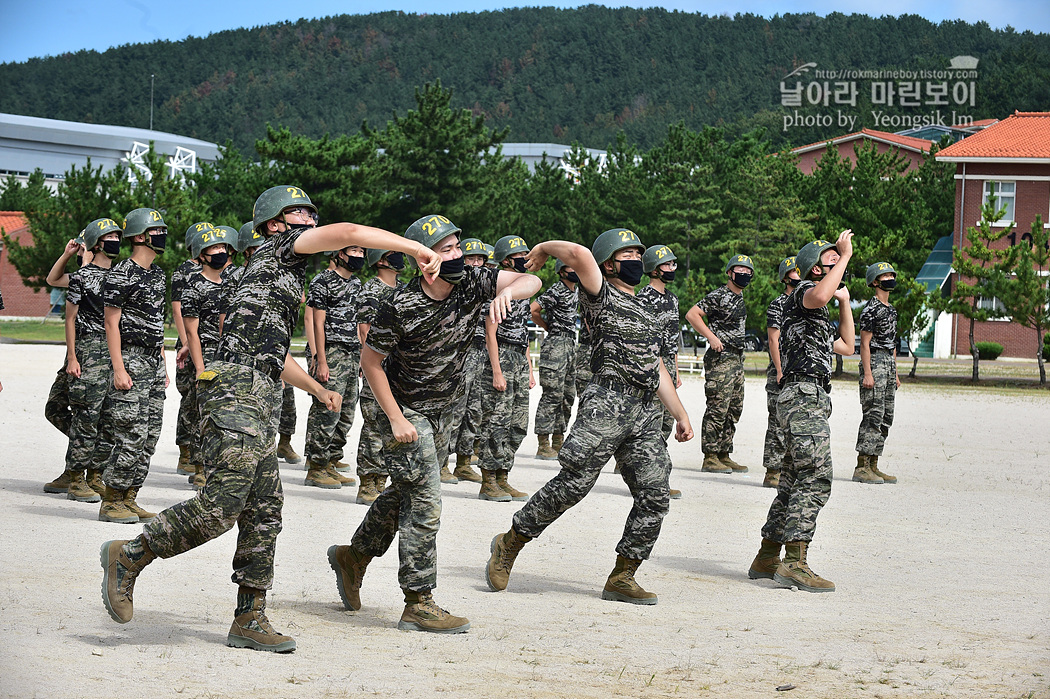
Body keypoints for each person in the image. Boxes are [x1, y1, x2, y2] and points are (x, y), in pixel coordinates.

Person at [100, 185, 441, 652]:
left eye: (309, 212)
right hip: (237, 390)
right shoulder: (277, 251)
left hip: (259, 388)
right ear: (273, 225)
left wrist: (317, 388)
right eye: (298, 212)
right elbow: (348, 231)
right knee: (222, 506)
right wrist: (417, 248)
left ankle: (250, 616)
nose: (308, 219)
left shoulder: (273, 277)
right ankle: (130, 555)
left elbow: (271, 353)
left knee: (264, 512)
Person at [326, 214, 540, 634]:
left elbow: (529, 281)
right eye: (447, 250)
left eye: (459, 247)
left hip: (445, 411)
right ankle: (418, 600)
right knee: (426, 502)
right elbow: (371, 364)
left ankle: (353, 557)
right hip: (404, 411)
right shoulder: (398, 306)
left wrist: (509, 293)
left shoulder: (472, 285)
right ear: (424, 260)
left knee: (406, 492)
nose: (458, 256)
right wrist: (395, 418)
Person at [485, 228, 694, 605]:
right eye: (627, 255)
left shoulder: (647, 307)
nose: (635, 260)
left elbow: (657, 365)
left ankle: (623, 574)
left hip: (645, 411)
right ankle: (510, 542)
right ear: (610, 263)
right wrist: (545, 249)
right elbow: (580, 254)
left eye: (637, 254)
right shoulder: (600, 294)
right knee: (573, 484)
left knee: (655, 493)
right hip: (607, 403)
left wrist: (679, 413)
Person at [748, 231, 855, 593]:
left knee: (792, 481)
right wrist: (846, 254)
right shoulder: (802, 294)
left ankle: (767, 556)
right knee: (817, 475)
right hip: (802, 394)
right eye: (830, 261)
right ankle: (794, 562)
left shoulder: (818, 313)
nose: (837, 263)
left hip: (808, 396)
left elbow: (848, 345)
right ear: (813, 269)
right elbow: (821, 291)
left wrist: (844, 302)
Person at [97, 208, 170, 524]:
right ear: (140, 236)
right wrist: (119, 369)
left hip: (153, 362)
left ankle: (130, 497)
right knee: (131, 434)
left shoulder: (157, 274)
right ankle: (111, 500)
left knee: (150, 435)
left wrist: (163, 363)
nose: (162, 235)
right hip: (130, 359)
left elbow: (157, 321)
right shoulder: (121, 274)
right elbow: (111, 324)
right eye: (157, 230)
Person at [44, 220, 122, 502]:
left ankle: (87, 472)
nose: (115, 240)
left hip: (111, 352)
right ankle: (78, 467)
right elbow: (56, 286)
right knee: (67, 411)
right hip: (84, 351)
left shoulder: (121, 276)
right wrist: (69, 255)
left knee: (100, 419)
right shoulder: (82, 276)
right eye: (109, 236)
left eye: (117, 235)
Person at [476, 235, 536, 502]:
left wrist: (530, 369)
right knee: (496, 422)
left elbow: (523, 332)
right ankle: (488, 480)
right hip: (499, 357)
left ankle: (503, 476)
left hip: (519, 360)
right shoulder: (497, 288)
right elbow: (490, 330)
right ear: (507, 259)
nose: (525, 258)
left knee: (518, 423)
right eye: (520, 254)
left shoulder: (522, 289)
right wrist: (497, 370)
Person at [303, 246, 365, 489]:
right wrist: (321, 360)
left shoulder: (358, 284)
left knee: (347, 410)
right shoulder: (323, 281)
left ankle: (331, 461)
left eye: (361, 251)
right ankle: (316, 466)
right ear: (339, 254)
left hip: (352, 351)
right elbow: (318, 323)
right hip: (332, 350)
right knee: (327, 410)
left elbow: (359, 322)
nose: (358, 256)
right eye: (353, 250)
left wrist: (361, 355)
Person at [685, 254, 753, 475]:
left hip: (736, 359)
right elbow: (692, 314)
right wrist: (711, 337)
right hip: (720, 359)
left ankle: (724, 453)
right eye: (739, 270)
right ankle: (710, 456)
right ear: (729, 273)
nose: (743, 274)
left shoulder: (739, 298)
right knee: (718, 407)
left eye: (747, 271)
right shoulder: (719, 295)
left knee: (734, 408)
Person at [179, 225, 235, 490]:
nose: (220, 252)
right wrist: (200, 368)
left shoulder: (231, 285)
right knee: (202, 414)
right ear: (202, 255)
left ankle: (220, 466)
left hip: (228, 355)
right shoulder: (194, 287)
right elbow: (192, 332)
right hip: (206, 353)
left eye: (223, 248)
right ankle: (200, 468)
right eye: (214, 248)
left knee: (226, 414)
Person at [352, 247, 404, 504]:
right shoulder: (371, 290)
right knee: (374, 425)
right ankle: (367, 483)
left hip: (399, 368)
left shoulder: (404, 289)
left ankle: (382, 481)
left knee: (390, 425)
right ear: (381, 260)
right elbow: (364, 331)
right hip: (378, 366)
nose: (399, 258)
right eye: (392, 254)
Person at [636, 244, 683, 499]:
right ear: (654, 269)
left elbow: (671, 339)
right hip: (650, 364)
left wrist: (675, 372)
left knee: (665, 423)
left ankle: (651, 474)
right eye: (667, 264)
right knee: (651, 423)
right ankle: (651, 480)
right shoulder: (643, 298)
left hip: (667, 365)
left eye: (674, 264)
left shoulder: (672, 299)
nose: (672, 268)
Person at [446, 238, 489, 483]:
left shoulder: (486, 286)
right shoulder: (454, 284)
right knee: (453, 409)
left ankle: (463, 462)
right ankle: (441, 463)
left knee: (474, 410)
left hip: (480, 352)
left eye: (479, 259)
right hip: (458, 351)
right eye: (470, 258)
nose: (475, 263)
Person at [854, 261, 900, 485]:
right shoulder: (870, 309)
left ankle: (874, 464)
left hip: (888, 365)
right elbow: (864, 344)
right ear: (874, 281)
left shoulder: (891, 310)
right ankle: (862, 467)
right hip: (874, 360)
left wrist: (896, 373)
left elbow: (892, 344)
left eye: (892, 274)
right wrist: (868, 373)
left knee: (885, 416)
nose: (890, 278)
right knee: (872, 414)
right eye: (885, 275)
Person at [531, 259, 578, 461]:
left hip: (571, 345)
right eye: (570, 268)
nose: (575, 271)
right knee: (552, 395)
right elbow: (533, 309)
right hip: (556, 345)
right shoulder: (556, 290)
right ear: (561, 271)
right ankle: (543, 443)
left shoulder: (577, 291)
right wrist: (547, 326)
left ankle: (559, 440)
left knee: (568, 395)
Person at [761, 256, 800, 490]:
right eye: (795, 272)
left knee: (795, 424)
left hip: (798, 372)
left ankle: (788, 470)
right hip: (782, 371)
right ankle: (772, 471)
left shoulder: (805, 302)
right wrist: (779, 369)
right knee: (777, 423)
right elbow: (773, 339)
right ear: (786, 277)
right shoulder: (778, 304)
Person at [173, 224, 208, 478]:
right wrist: (186, 340)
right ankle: (185, 451)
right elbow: (178, 309)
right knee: (189, 400)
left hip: (207, 343)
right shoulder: (183, 272)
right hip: (189, 339)